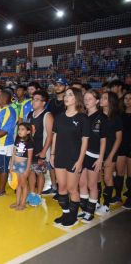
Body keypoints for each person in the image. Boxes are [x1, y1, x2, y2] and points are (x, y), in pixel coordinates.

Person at [50, 87, 89, 227]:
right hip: (60, 156)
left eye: (70, 95)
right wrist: (53, 154)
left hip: (74, 158)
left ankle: (73, 216)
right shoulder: (59, 117)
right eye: (66, 95)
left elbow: (85, 141)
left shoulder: (82, 118)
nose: (66, 97)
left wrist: (80, 161)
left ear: (76, 99)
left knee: (72, 189)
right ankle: (66, 213)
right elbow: (55, 136)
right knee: (62, 188)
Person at [78, 90, 107, 223]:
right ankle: (84, 209)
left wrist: (100, 158)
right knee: (82, 183)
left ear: (97, 101)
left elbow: (103, 140)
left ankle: (90, 211)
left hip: (94, 155)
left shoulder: (102, 117)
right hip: (82, 154)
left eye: (90, 98)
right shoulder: (83, 117)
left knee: (92, 184)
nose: (87, 101)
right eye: (85, 98)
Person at [25, 90, 54, 206]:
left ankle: (39, 195)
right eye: (33, 99)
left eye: (37, 100)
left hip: (41, 149)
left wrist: (43, 151)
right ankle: (32, 193)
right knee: (31, 171)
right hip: (31, 149)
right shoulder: (30, 115)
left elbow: (50, 135)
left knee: (39, 173)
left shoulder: (47, 115)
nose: (33, 101)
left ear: (43, 102)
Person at [96, 92, 122, 215]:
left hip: (110, 152)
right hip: (98, 151)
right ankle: (96, 201)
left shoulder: (116, 117)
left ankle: (106, 205)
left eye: (105, 98)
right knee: (97, 177)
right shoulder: (98, 115)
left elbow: (118, 138)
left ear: (111, 101)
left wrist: (111, 156)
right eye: (101, 97)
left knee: (107, 178)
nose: (101, 99)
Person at [9, 123, 34, 210]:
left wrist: (27, 169)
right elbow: (13, 153)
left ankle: (23, 203)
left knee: (24, 184)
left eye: (22, 129)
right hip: (16, 164)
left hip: (24, 165)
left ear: (28, 131)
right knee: (18, 185)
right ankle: (17, 202)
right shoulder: (17, 140)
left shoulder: (29, 142)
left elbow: (30, 157)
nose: (19, 131)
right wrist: (11, 166)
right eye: (19, 129)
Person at [121, 92, 131, 210]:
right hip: (122, 146)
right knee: (120, 172)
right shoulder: (121, 115)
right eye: (126, 98)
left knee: (130, 173)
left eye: (130, 98)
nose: (128, 100)